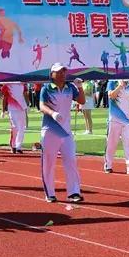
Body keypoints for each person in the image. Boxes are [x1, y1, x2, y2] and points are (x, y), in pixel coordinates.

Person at [39, 62, 85, 203]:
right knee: (49, 162)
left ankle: (73, 192)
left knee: (71, 160)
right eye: (58, 72)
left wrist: (80, 87)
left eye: (63, 71)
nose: (62, 74)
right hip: (50, 130)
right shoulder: (46, 88)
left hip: (66, 131)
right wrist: (52, 113)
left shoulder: (70, 87)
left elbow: (81, 100)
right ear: (52, 74)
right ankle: (50, 193)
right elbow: (41, 105)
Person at [104, 79, 129, 175]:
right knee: (111, 144)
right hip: (114, 118)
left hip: (127, 119)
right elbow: (111, 96)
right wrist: (120, 86)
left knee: (128, 143)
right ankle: (108, 164)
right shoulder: (112, 82)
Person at [1, 82, 29, 153]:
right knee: (15, 127)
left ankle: (18, 146)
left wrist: (27, 105)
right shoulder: (7, 85)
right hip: (12, 108)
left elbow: (25, 94)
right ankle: (13, 145)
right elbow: (4, 98)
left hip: (22, 108)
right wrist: (3, 110)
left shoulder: (22, 83)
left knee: (22, 127)